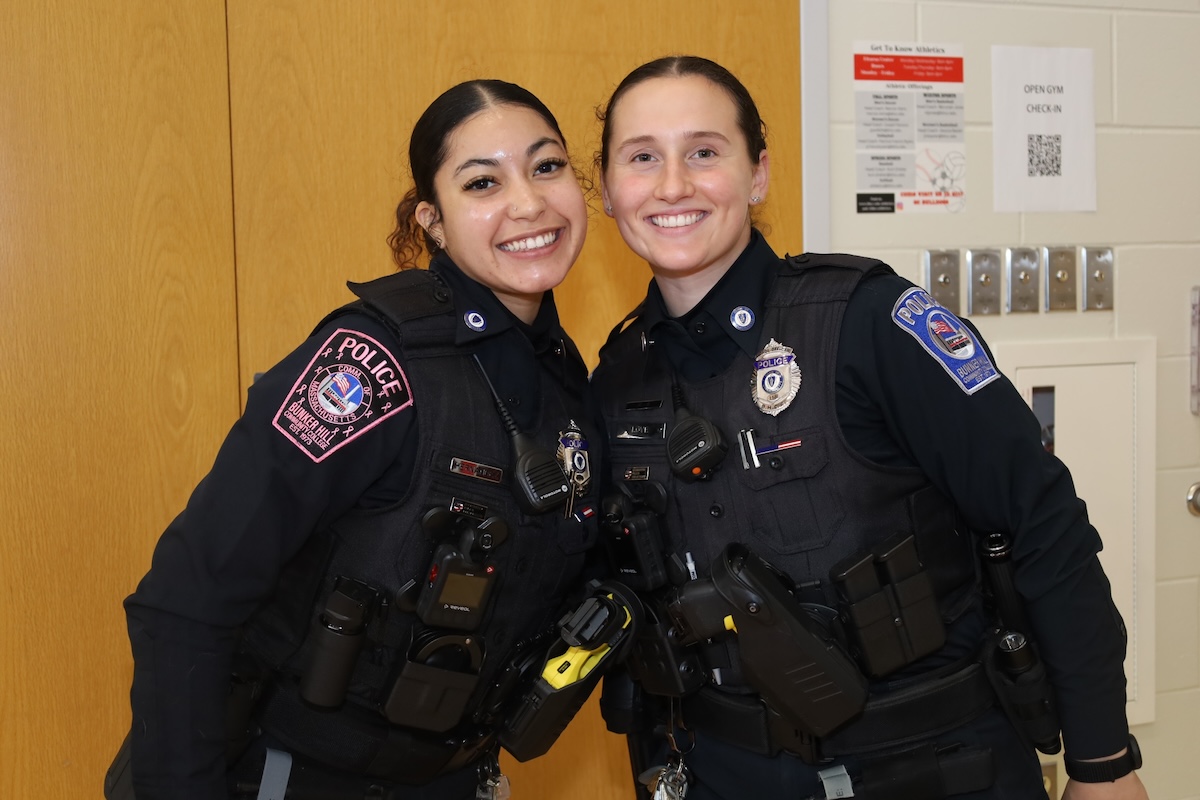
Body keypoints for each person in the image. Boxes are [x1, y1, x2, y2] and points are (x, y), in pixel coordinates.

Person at [589, 55, 1148, 800]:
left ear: (758, 174)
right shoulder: (618, 378)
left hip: (932, 768)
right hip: (722, 773)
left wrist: (1104, 763)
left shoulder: (870, 321)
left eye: (703, 152)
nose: (672, 186)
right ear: (606, 189)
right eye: (642, 158)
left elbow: (1043, 523)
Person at [114, 79, 603, 800]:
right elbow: (187, 596)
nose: (528, 203)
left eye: (546, 166)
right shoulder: (370, 363)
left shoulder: (568, 381)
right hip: (292, 776)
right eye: (482, 181)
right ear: (433, 221)